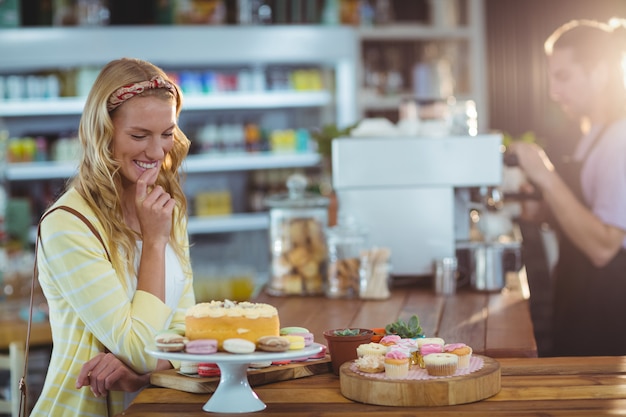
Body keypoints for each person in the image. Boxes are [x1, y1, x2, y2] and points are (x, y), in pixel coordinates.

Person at [30, 58, 196, 416]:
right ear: (102, 132)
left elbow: (188, 334)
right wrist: (153, 243)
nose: (156, 152)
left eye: (166, 134)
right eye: (139, 136)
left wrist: (143, 376)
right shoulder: (67, 224)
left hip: (158, 406)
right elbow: (141, 349)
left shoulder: (166, 209)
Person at [509, 19, 626, 356]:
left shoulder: (619, 140)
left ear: (600, 73)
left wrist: (545, 173)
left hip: (608, 313)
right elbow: (588, 212)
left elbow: (604, 246)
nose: (554, 93)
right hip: (579, 298)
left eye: (563, 77)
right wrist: (541, 210)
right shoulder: (594, 136)